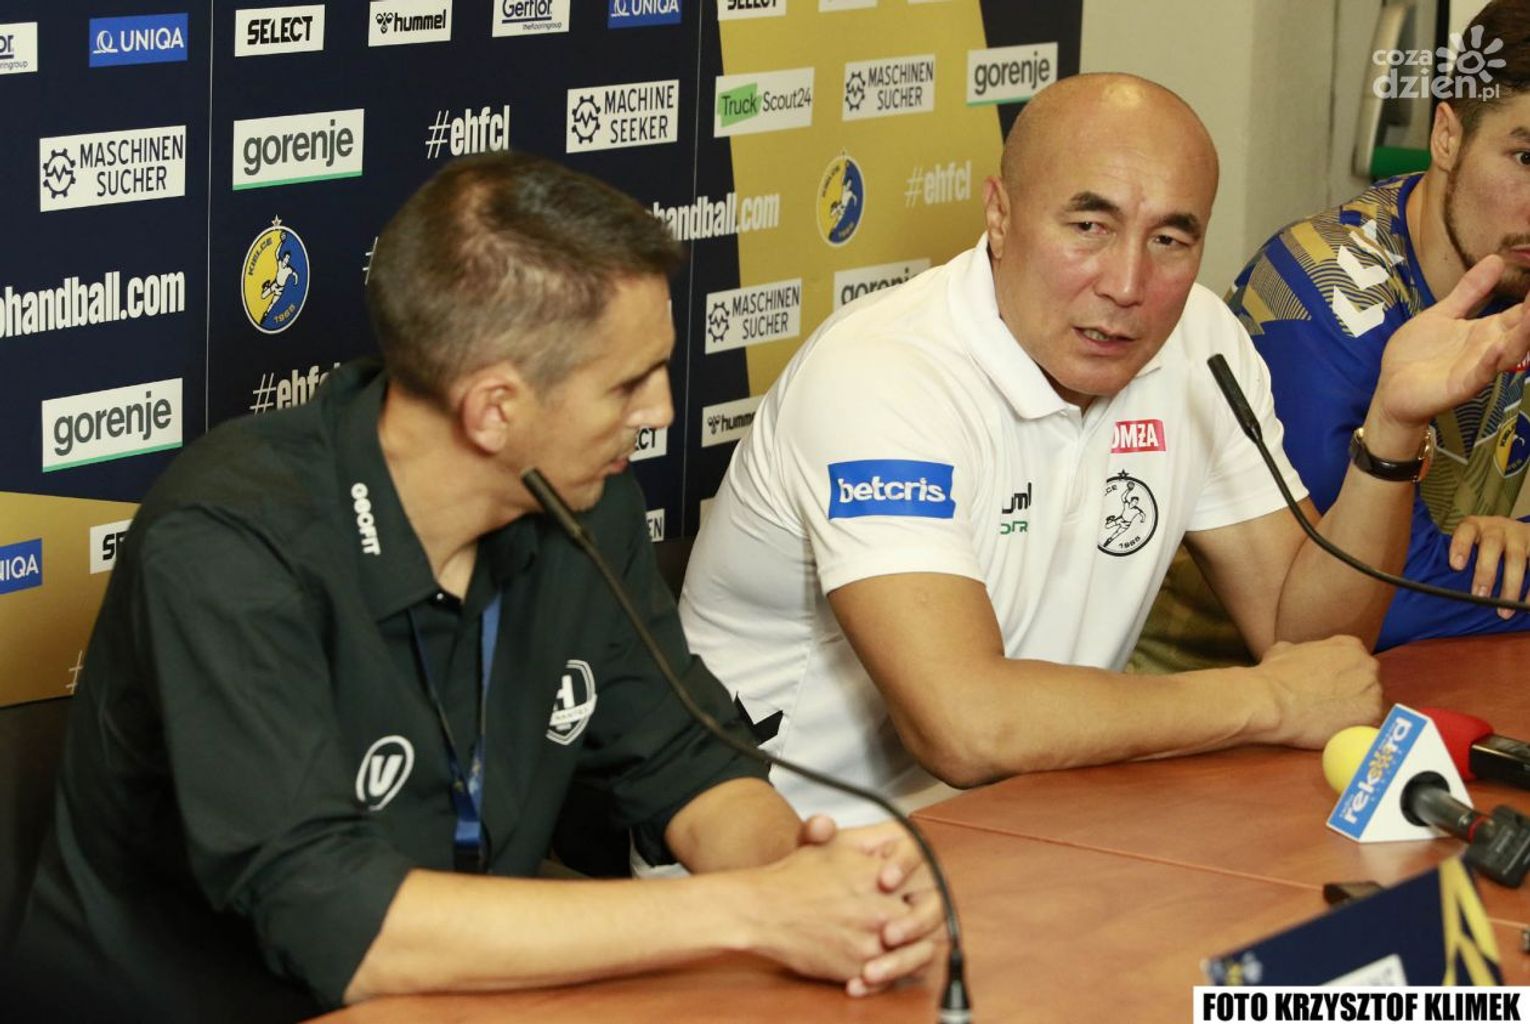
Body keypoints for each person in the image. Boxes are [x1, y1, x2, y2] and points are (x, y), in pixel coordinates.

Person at [7, 153, 940, 1022]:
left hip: (459, 999)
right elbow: (333, 921)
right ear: (495, 409)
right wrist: (751, 914)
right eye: (629, 385)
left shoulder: (583, 504)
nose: (659, 411)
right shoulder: (229, 542)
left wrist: (822, 889)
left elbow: (692, 768)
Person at [679, 73, 1530, 827]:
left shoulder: (1200, 340)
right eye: (1089, 225)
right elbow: (964, 726)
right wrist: (1263, 699)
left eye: (1170, 240)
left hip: (1036, 822)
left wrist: (1391, 429)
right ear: (999, 215)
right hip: (789, 856)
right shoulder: (882, 373)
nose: (1127, 285)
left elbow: (1309, 641)